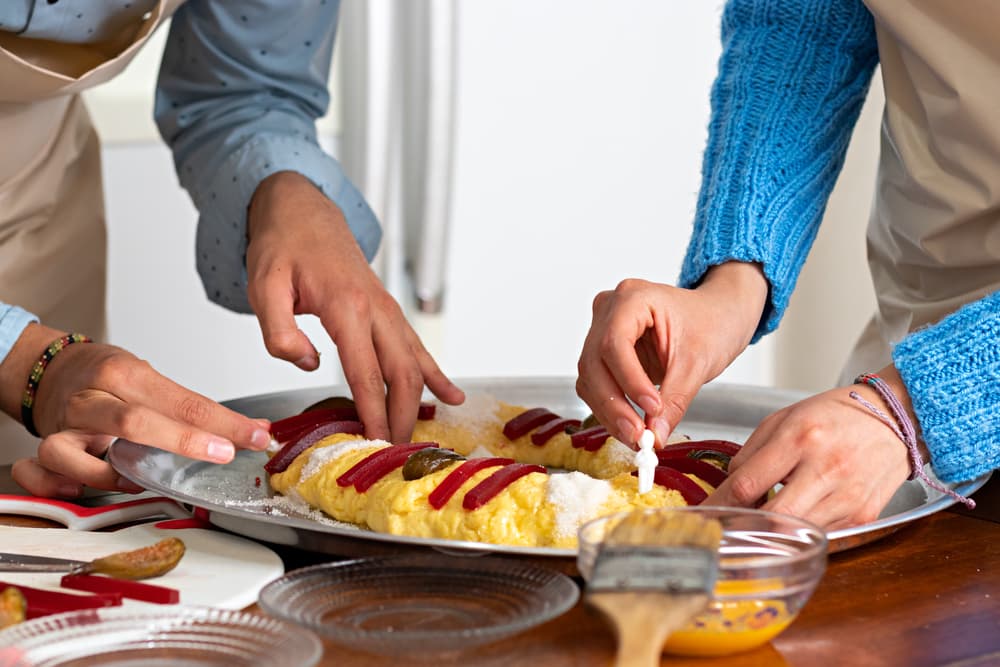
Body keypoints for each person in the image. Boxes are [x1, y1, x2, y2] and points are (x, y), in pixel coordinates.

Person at [0, 1, 462, 497]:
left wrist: (283, 187)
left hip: (30, 198)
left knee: (46, 502)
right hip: (35, 359)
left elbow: (243, 83)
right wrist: (25, 361)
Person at [576, 0, 1000, 529]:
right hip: (898, 375)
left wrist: (921, 405)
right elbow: (807, 20)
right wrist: (733, 284)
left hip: (918, 403)